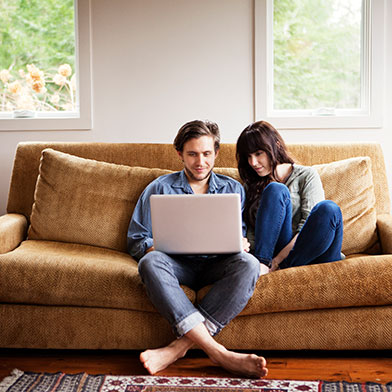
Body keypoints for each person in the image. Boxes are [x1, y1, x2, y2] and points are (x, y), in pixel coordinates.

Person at [127, 120, 269, 378]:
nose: (200, 162)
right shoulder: (159, 187)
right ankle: (218, 353)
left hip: (218, 264)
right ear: (180, 154)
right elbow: (136, 238)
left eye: (206, 154)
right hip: (176, 265)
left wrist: (243, 243)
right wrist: (154, 247)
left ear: (216, 153)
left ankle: (178, 348)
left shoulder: (233, 188)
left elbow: (246, 233)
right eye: (192, 154)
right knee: (149, 262)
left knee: (248, 264)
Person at [236, 120, 343, 272]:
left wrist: (278, 261)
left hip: (313, 251)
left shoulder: (306, 175)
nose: (253, 162)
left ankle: (278, 268)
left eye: (259, 153)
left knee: (329, 209)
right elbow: (252, 235)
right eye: (249, 156)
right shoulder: (250, 185)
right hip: (271, 255)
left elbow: (308, 227)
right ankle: (262, 265)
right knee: (275, 190)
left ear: (276, 145)